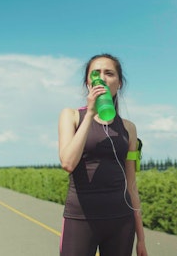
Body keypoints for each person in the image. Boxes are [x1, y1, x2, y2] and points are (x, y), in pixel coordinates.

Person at [58, 54, 148, 256]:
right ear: (87, 82)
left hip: (121, 221)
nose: (102, 78)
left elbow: (131, 185)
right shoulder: (71, 116)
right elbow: (68, 162)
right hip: (80, 218)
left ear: (119, 83)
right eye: (95, 73)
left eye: (109, 73)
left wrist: (141, 238)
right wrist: (90, 113)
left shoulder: (128, 128)